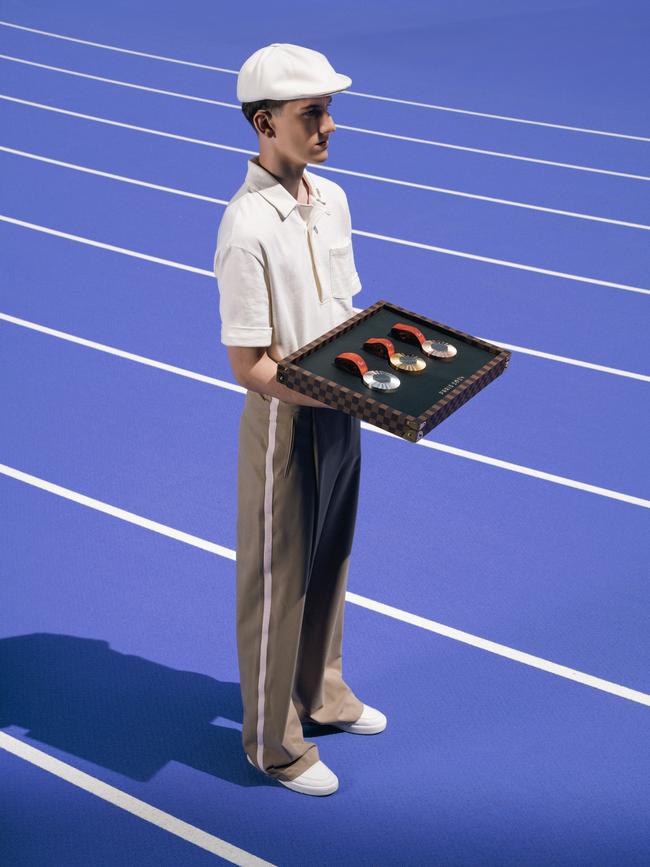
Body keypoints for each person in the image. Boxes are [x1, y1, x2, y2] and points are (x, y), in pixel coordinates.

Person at [213, 43, 387, 797]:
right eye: (310, 113)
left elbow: (344, 311)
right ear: (264, 123)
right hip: (286, 423)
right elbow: (249, 364)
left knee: (331, 560)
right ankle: (272, 744)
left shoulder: (336, 199)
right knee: (277, 580)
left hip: (338, 410)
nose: (329, 126)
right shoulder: (245, 227)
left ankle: (320, 693)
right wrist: (335, 395)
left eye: (329, 110)